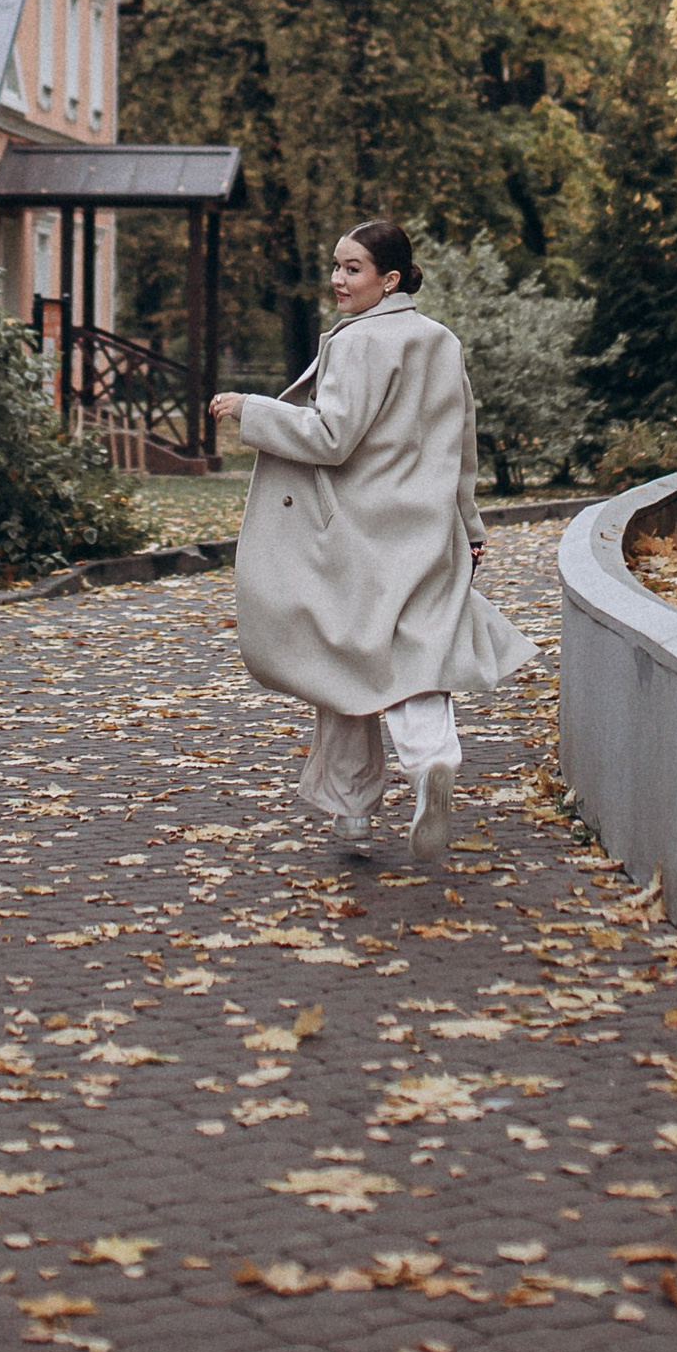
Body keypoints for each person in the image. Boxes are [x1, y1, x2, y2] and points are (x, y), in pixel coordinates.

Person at [211, 219, 534, 867]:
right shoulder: (440, 340)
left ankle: (352, 807)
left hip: (357, 535)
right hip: (429, 531)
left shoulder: (358, 341)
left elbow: (332, 438)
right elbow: (461, 445)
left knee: (344, 662)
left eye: (352, 268)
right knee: (419, 657)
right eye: (336, 265)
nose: (338, 278)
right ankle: (431, 758)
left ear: (389, 279)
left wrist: (252, 409)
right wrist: (470, 527)